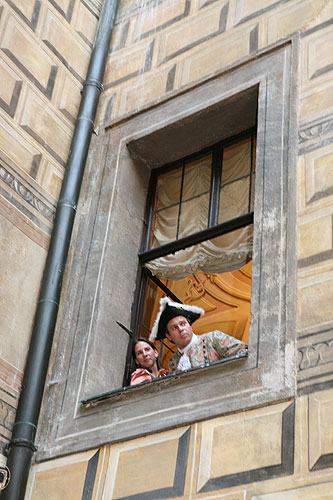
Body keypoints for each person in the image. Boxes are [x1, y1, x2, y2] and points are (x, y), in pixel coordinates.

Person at [149, 297, 248, 373]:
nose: (180, 329)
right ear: (169, 336)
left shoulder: (213, 338)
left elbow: (245, 353)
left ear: (190, 326)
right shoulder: (173, 361)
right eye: (174, 328)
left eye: (183, 324)